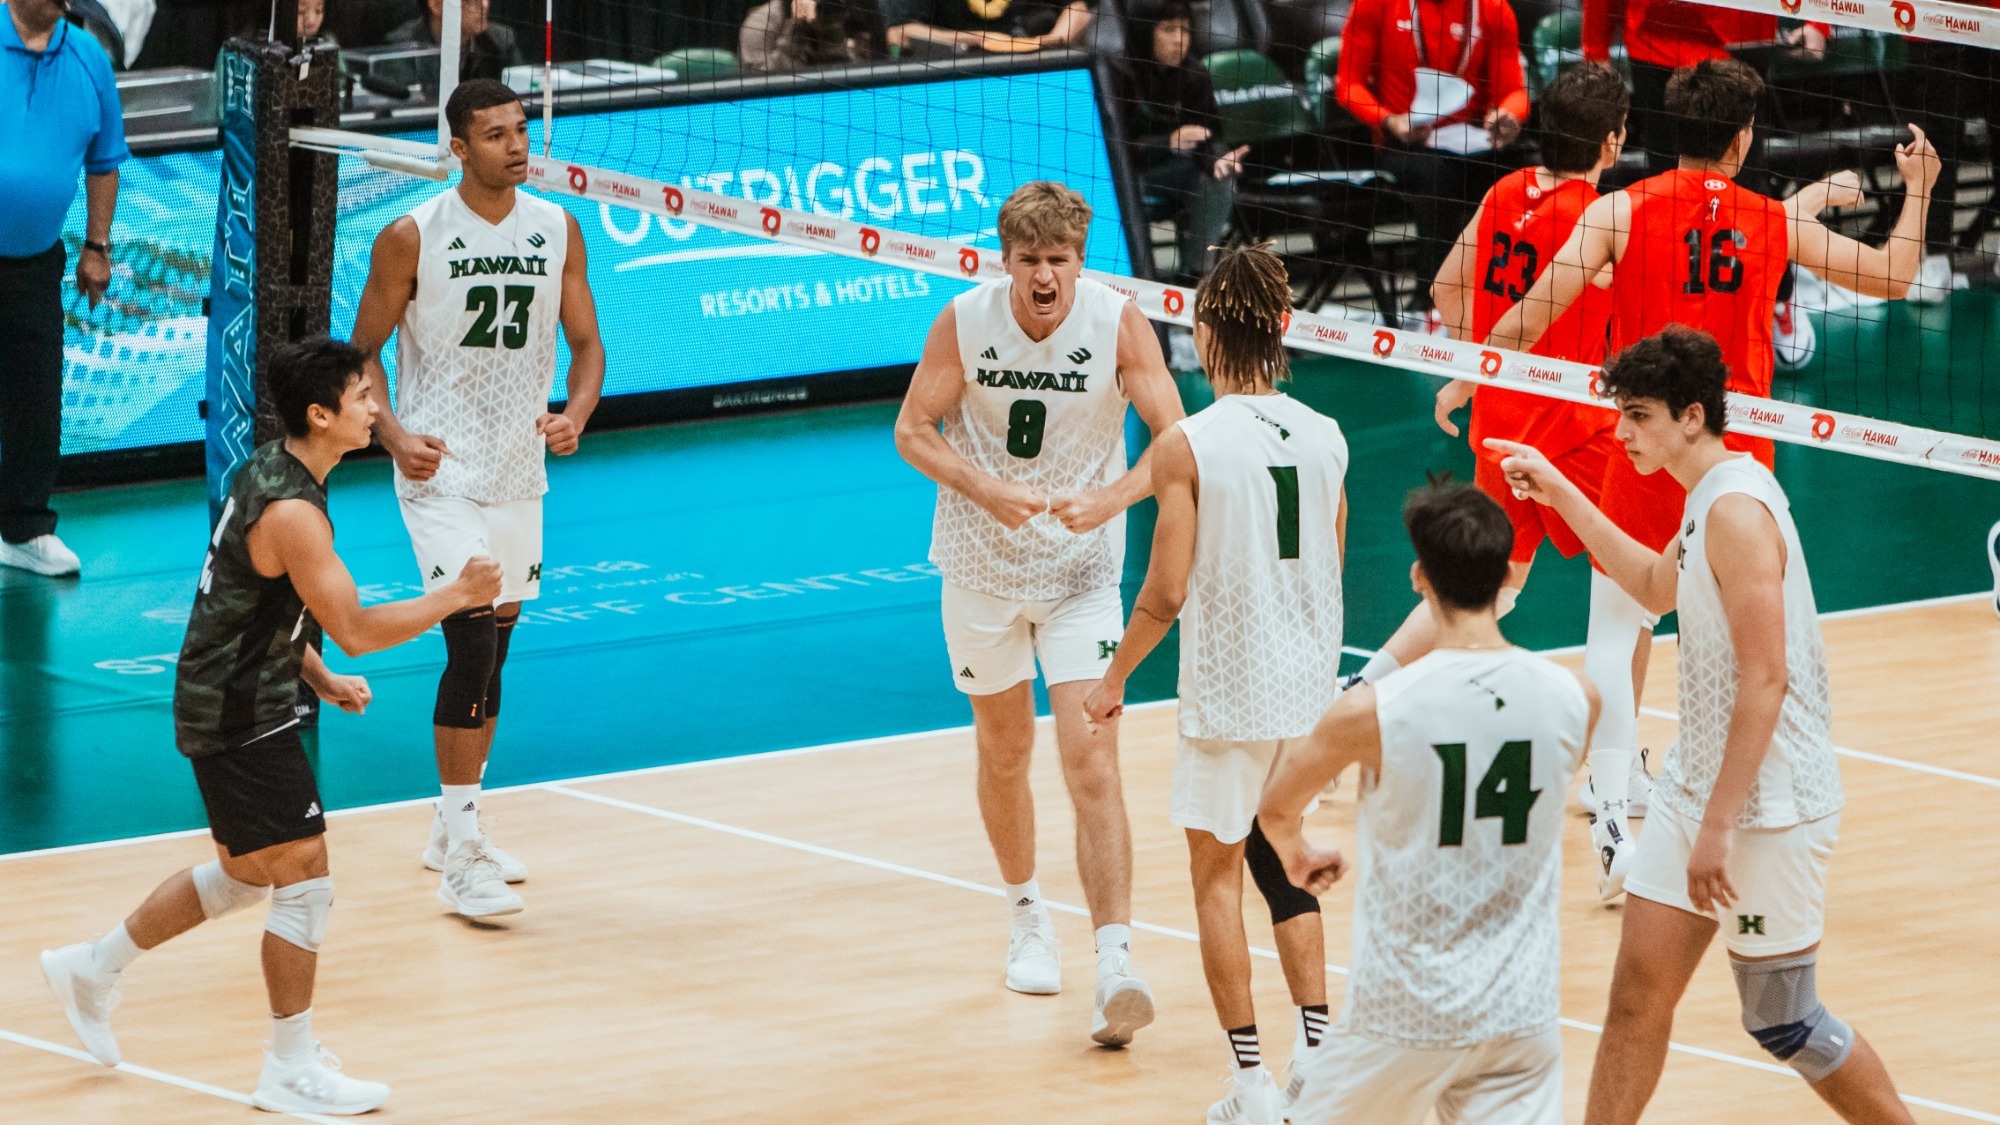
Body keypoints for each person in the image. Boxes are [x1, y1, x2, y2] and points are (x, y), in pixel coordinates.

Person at [37, 337, 504, 1116]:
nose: (374, 408)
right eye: (361, 397)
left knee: (249, 871)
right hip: (238, 711)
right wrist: (456, 594)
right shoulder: (293, 509)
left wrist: (316, 673)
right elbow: (352, 624)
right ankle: (289, 1067)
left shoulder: (270, 470)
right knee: (306, 875)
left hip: (231, 693)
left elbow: (256, 603)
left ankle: (91, 966)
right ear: (320, 415)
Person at [1486, 58, 1937, 852]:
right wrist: (1921, 187)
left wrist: (1471, 371)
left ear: (1669, 134)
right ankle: (1743, 802)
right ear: (1741, 140)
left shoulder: (1617, 212)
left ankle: (1615, 817)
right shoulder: (1773, 220)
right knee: (1748, 651)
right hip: (1733, 472)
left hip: (1643, 449)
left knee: (1617, 628)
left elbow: (1524, 322)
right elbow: (1897, 276)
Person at [1490, 326, 1916, 1125]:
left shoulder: (1738, 511)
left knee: (1783, 1019)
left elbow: (1768, 676)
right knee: (1635, 1002)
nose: (1623, 432)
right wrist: (1554, 486)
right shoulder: (1706, 496)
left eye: (1639, 416)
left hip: (1768, 804)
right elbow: (1654, 585)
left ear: (1691, 416)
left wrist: (1719, 824)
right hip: (1698, 785)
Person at [893, 181, 1183, 1046]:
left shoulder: (1118, 320)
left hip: (1082, 572)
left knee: (1090, 758)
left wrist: (1114, 495)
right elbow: (914, 429)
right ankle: (1026, 915)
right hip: (980, 565)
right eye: (1031, 262)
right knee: (1004, 747)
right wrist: (984, 486)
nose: (1046, 277)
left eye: (1060, 260)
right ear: (1005, 260)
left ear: (1080, 260)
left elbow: (1175, 441)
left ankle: (1116, 961)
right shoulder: (963, 320)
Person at [1350, 63, 1637, 895]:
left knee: (1490, 590)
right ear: (1612, 139)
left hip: (1504, 421)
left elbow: (1445, 286)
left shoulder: (1508, 189)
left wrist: (1484, 368)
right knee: (1627, 608)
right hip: (1580, 434)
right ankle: (1613, 813)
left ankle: (1359, 692)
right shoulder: (1603, 217)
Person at [1081, 243, 1345, 1124]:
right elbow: (1333, 561)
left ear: (1199, 333)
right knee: (1288, 862)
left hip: (1231, 690)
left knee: (1219, 875)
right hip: (1309, 697)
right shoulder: (1328, 435)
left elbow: (1164, 588)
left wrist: (1113, 678)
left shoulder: (1186, 443)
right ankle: (1317, 1052)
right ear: (1282, 328)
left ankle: (1251, 1084)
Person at [1258, 482, 1599, 1125]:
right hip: (1520, 1013)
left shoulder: (1369, 711)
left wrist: (1298, 855)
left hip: (1404, 1012)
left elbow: (1275, 809)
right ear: (1506, 576)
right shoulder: (1576, 697)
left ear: (1419, 576)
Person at [349, 78, 606, 919]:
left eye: (521, 130)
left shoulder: (556, 227)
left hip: (518, 469)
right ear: (458, 147)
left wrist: (576, 411)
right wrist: (391, 435)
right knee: (468, 647)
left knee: (495, 648)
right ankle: (463, 853)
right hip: (441, 473)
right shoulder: (410, 236)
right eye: (496, 134)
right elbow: (360, 359)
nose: (516, 146)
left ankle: (450, 819)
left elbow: (587, 343)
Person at [0, 0, 125, 577]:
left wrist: (96, 248)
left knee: (35, 394)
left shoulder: (89, 57)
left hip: (33, 260)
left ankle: (23, 528)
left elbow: (104, 160)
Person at [1333, 0, 1530, 331]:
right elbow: (1347, 86)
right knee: (1438, 176)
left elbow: (1513, 91)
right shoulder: (1376, 5)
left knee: (1531, 170)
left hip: (1470, 140)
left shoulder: (1493, 9)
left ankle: (1521, 294)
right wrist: (1389, 120)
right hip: (1401, 143)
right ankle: (1431, 303)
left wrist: (1509, 115)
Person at [1117, 0, 1248, 286]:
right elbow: (1112, 150)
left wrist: (1218, 159)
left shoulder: (1195, 75)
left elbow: (1211, 135)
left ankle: (1196, 276)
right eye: (1168, 29)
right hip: (1128, 175)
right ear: (1144, 32)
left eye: (1186, 30)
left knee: (1218, 175)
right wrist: (1167, 144)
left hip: (1173, 173)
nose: (1179, 40)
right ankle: (1138, 278)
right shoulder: (1118, 74)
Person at [887, 0, 1090, 57]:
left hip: (1042, 65)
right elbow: (900, 32)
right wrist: (983, 39)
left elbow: (1078, 7)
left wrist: (1053, 45)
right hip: (963, 71)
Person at [389, 0, 523, 86]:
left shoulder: (500, 41)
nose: (484, 5)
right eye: (470, 1)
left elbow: (520, 91)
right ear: (436, 5)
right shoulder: (403, 49)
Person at [740, 0, 887, 70]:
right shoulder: (762, 22)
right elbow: (759, 89)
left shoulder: (861, 14)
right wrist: (795, 31)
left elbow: (869, 81)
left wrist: (831, 33)